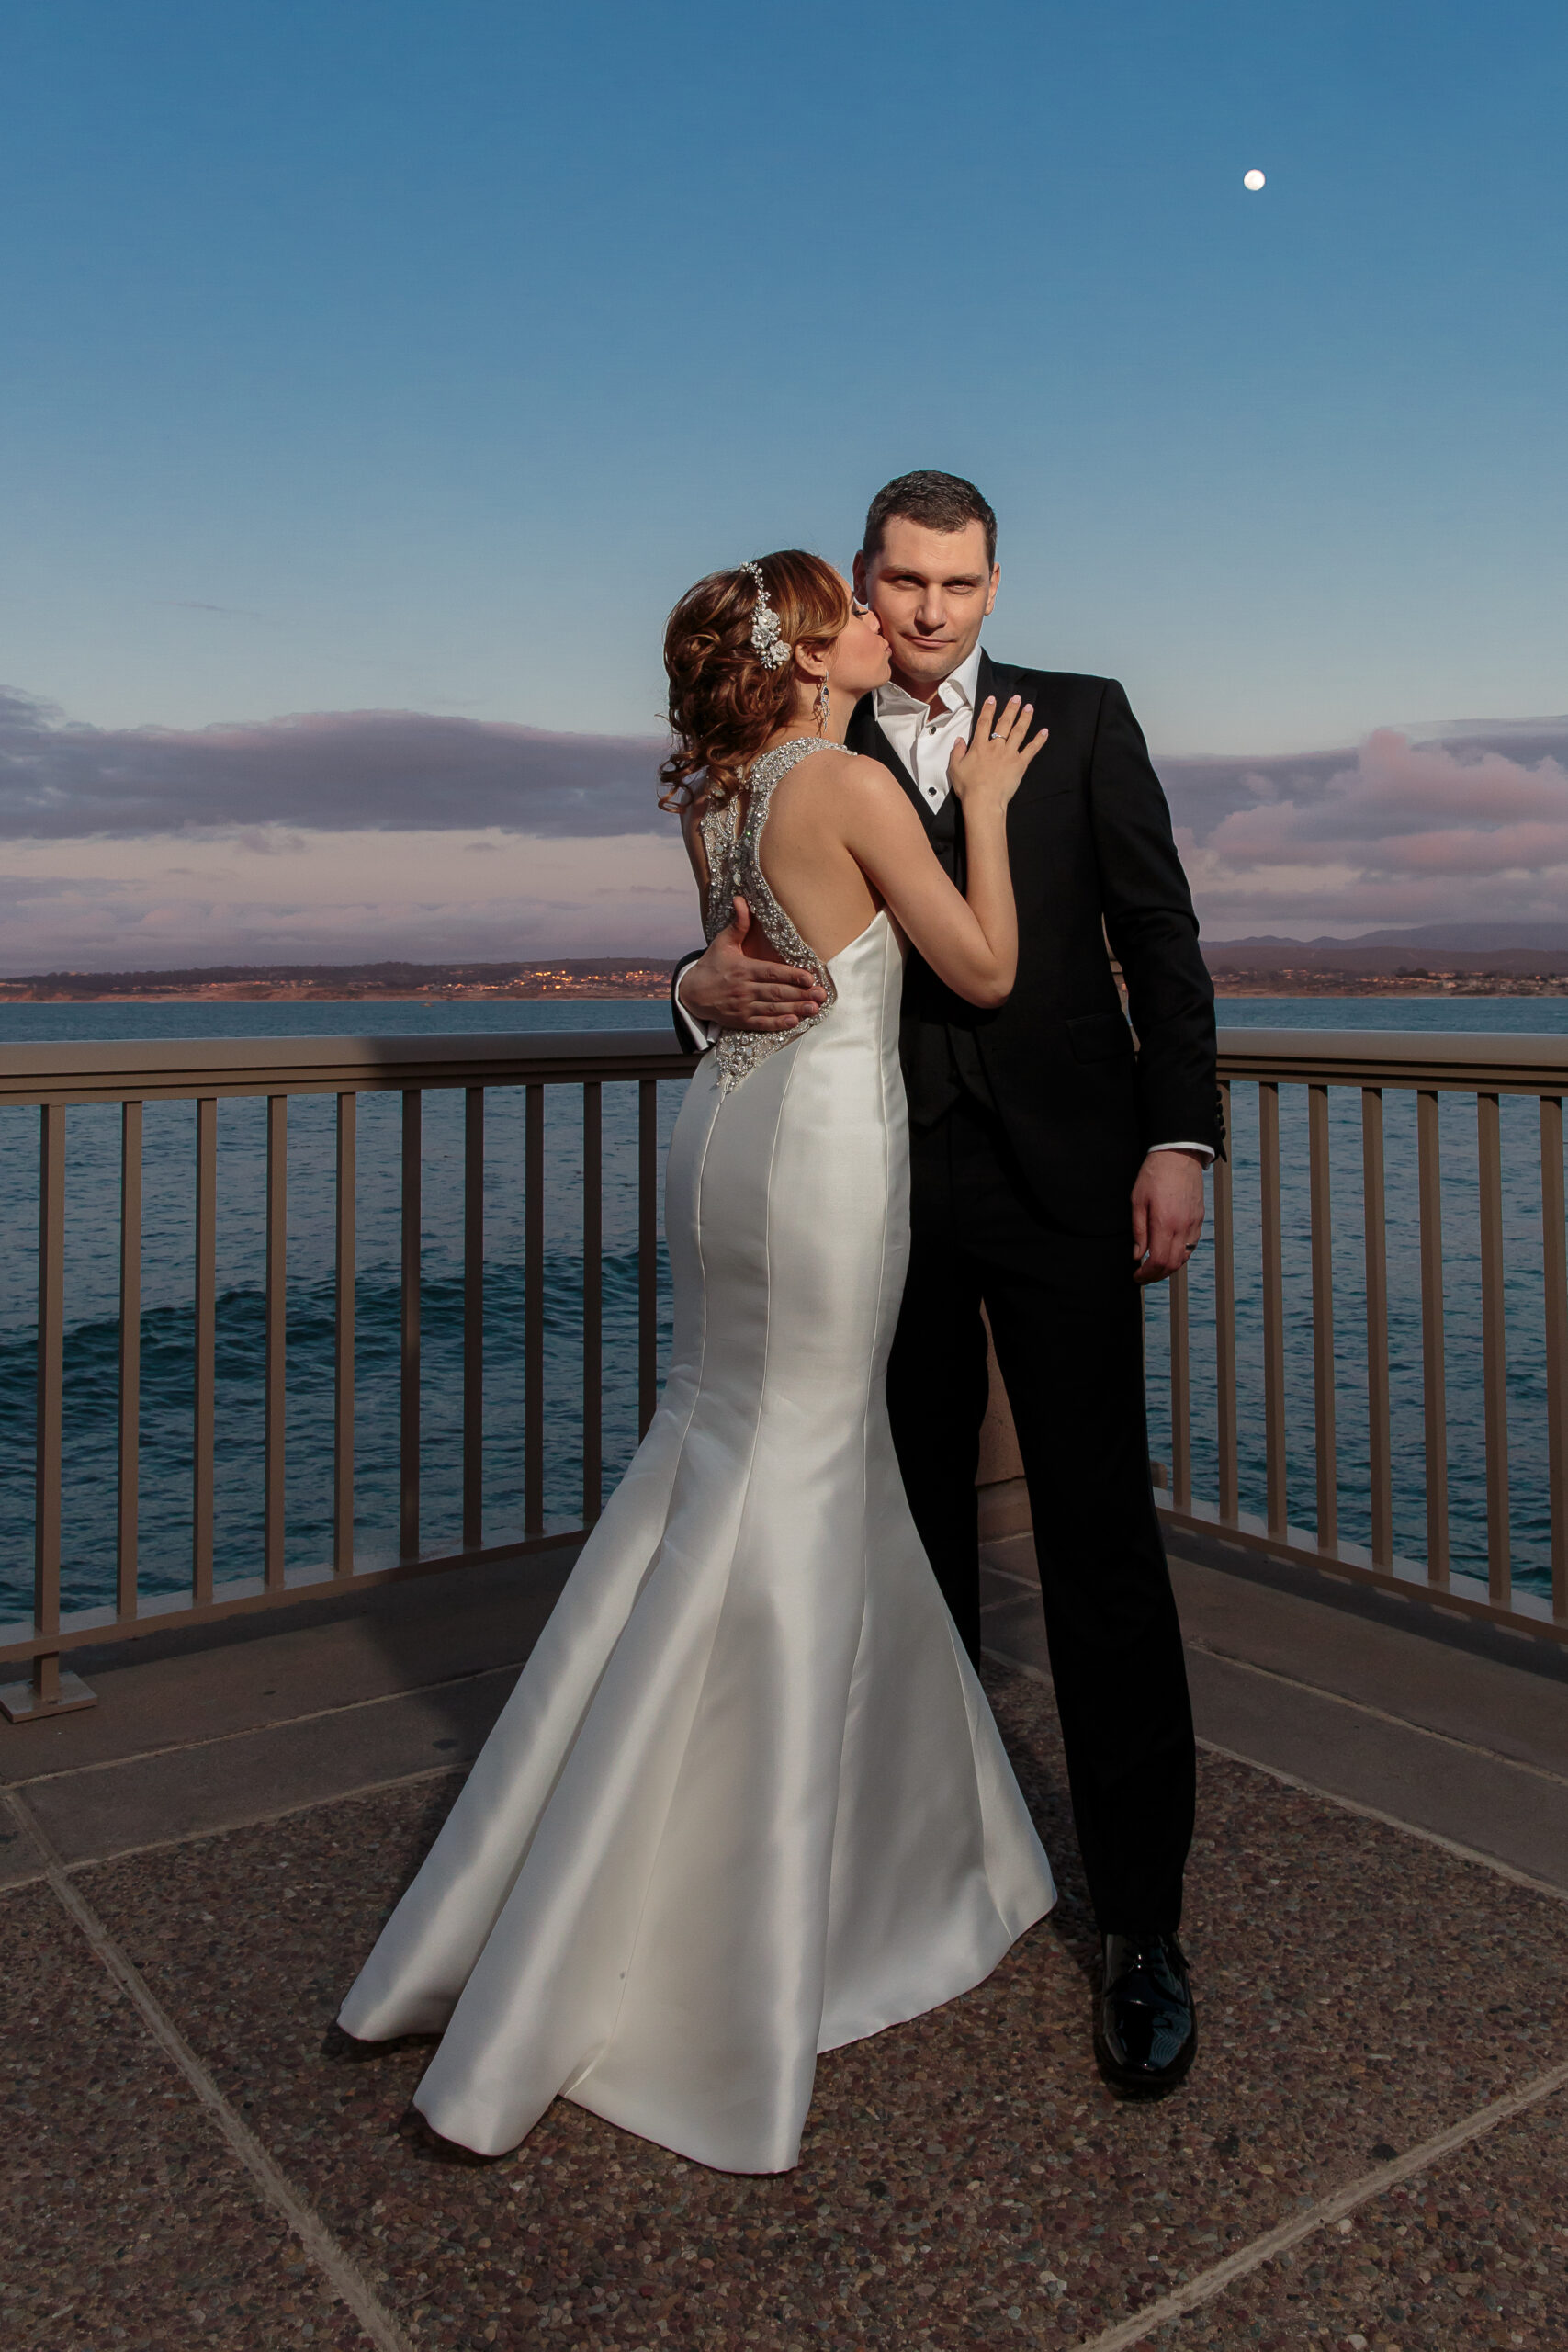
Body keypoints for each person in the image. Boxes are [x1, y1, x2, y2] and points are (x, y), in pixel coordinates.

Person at [338, 550, 1056, 2175]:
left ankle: (736, 1845)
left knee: (723, 1451)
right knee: (797, 1474)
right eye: (859, 614)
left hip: (717, 1143)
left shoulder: (718, 795)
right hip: (818, 1160)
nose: (888, 627)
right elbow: (988, 971)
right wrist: (992, 804)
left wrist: (690, 988)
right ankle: (741, 1935)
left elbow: (729, 984)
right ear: (811, 652)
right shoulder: (853, 783)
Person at [673, 475, 1223, 2097]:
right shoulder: (808, 746)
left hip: (1066, 1187)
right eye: (904, 582)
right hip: (877, 1197)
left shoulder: (1086, 718)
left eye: (960, 584)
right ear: (858, 585)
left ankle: (1145, 1927)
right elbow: (739, 931)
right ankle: (900, 1882)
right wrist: (688, 985)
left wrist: (1179, 1139)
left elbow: (1162, 939)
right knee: (895, 1539)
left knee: (1103, 1546)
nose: (930, 612)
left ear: (998, 584)